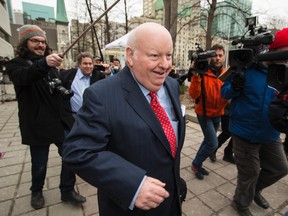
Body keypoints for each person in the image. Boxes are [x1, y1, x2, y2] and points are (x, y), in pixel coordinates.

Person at [62, 22, 186, 216]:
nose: (165, 65)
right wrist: (133, 184)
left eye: (168, 55)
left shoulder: (171, 85)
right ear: (130, 56)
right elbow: (78, 151)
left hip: (171, 201)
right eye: (154, 56)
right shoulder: (101, 95)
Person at [6, 24, 86, 210]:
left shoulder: (50, 65)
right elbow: (24, 77)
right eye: (35, 41)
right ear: (25, 43)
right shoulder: (15, 64)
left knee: (71, 155)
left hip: (59, 122)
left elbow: (55, 87)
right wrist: (44, 64)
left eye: (42, 42)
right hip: (37, 123)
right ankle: (36, 191)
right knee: (40, 164)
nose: (40, 45)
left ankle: (67, 190)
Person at [221, 28, 288, 216]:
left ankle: (254, 190)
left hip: (270, 133)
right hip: (244, 132)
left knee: (280, 168)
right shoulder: (245, 67)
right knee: (248, 173)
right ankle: (241, 202)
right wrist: (235, 85)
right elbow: (224, 92)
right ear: (272, 50)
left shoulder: (284, 73)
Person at [189, 44, 228, 179]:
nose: (217, 58)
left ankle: (197, 164)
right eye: (214, 55)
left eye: (220, 55)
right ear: (210, 57)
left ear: (224, 57)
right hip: (204, 114)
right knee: (212, 144)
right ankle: (196, 163)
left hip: (218, 114)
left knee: (208, 141)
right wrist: (195, 76)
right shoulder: (203, 72)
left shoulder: (226, 73)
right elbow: (194, 95)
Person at [59, 52, 110, 118]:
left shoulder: (98, 75)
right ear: (79, 65)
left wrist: (108, 73)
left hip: (93, 116)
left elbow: (109, 85)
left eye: (90, 63)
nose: (88, 66)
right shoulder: (69, 74)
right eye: (85, 63)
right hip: (73, 117)